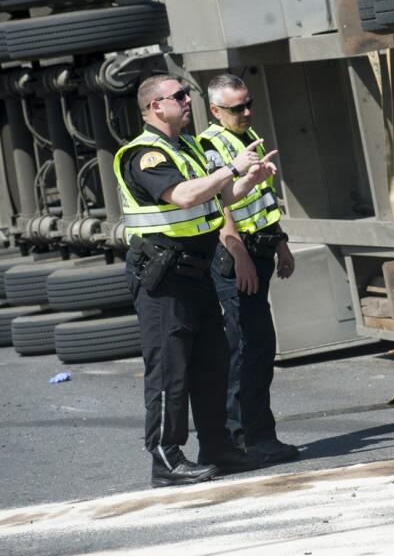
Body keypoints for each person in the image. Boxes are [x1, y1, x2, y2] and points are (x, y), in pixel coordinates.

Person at [116, 75, 276, 487]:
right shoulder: (145, 154)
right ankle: (166, 460)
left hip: (196, 271)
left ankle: (217, 447)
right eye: (180, 96)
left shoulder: (184, 146)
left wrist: (247, 182)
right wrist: (229, 168)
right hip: (164, 278)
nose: (189, 101)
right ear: (155, 107)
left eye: (187, 94)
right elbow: (183, 196)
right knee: (170, 370)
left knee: (213, 362)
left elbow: (214, 199)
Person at [198, 73, 299, 464]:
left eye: (248, 103)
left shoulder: (245, 137)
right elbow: (217, 204)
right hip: (235, 255)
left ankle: (252, 435)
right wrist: (237, 251)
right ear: (215, 111)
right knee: (247, 348)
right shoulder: (211, 146)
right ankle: (245, 439)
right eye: (236, 108)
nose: (246, 111)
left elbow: (261, 197)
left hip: (259, 249)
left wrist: (281, 242)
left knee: (257, 345)